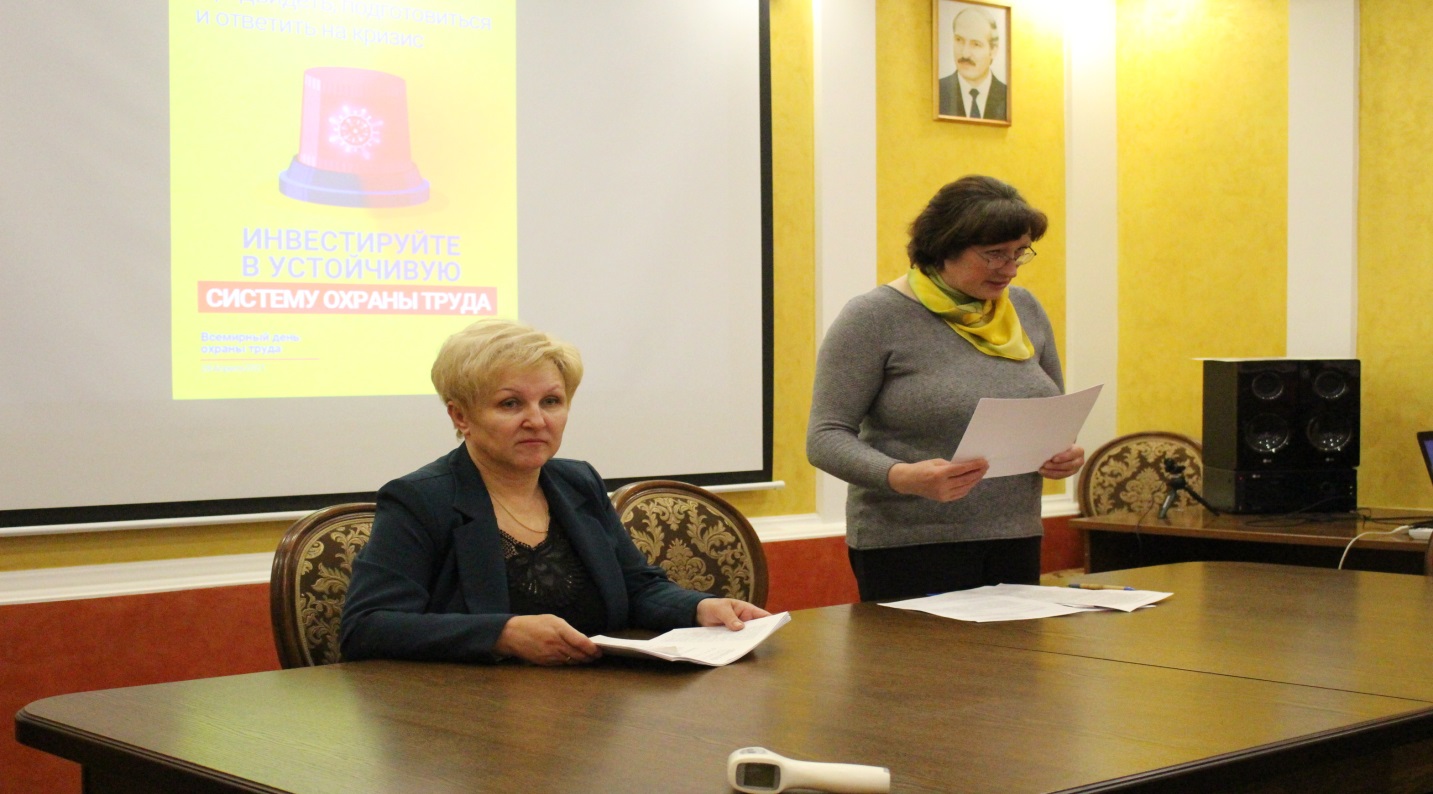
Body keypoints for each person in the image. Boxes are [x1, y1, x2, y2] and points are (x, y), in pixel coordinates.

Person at [341, 318, 769, 665]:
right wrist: (502, 634)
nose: (537, 420)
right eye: (510, 404)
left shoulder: (577, 482)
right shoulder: (420, 499)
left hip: (596, 707)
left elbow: (637, 587)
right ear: (461, 416)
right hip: (473, 715)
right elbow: (367, 627)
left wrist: (698, 608)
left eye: (551, 401)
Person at [806, 175, 1084, 602]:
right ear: (944, 246)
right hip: (907, 544)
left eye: (1019, 253)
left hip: (1015, 536)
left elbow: (1051, 414)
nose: (1010, 269)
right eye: (995, 254)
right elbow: (825, 438)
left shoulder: (1025, 309)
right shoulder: (874, 317)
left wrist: (1063, 454)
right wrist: (903, 477)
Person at [937, 4, 1008, 120]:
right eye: (959, 40)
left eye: (976, 44)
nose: (965, 54)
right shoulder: (937, 92)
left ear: (993, 51)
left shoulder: (1009, 97)